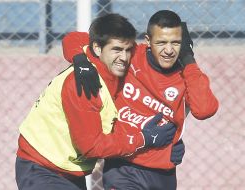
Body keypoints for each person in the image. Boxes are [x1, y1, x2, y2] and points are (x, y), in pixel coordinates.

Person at [62, 10, 219, 189]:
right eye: (161, 43)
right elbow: (72, 39)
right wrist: (80, 59)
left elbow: (204, 109)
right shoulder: (130, 54)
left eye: (175, 43)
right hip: (123, 166)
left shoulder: (187, 76)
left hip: (162, 171)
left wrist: (189, 60)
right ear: (148, 41)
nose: (168, 50)